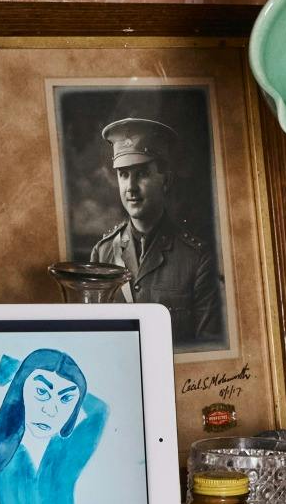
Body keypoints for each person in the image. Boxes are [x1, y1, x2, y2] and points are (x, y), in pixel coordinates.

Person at [88, 116, 225, 351]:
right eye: (123, 174)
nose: (130, 187)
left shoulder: (196, 259)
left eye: (141, 174)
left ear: (166, 180)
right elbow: (93, 340)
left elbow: (208, 352)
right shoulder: (103, 253)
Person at [0, 347, 107, 504]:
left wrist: (17, 368)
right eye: (42, 392)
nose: (51, 410)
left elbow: (100, 411)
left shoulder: (67, 446)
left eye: (66, 399)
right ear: (20, 387)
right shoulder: (3, 452)